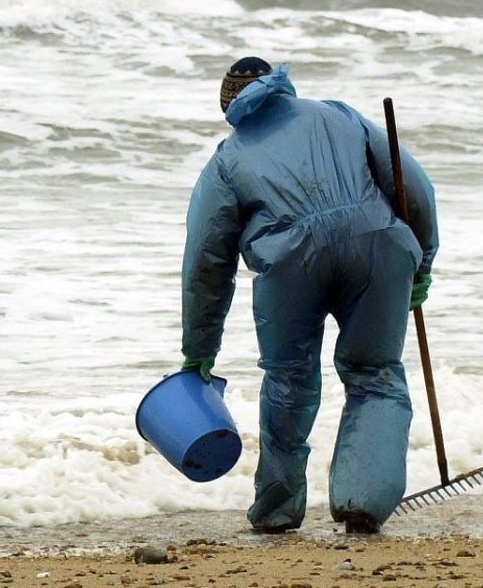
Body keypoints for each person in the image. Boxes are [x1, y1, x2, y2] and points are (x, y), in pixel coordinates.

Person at [179, 57, 437, 534]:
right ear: (285, 89)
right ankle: (363, 499)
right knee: (375, 373)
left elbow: (206, 265)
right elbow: (412, 186)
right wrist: (423, 259)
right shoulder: (338, 114)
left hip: (290, 265)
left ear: (229, 106)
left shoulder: (226, 161)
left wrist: (200, 349)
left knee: (288, 381)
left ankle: (277, 511)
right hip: (378, 245)